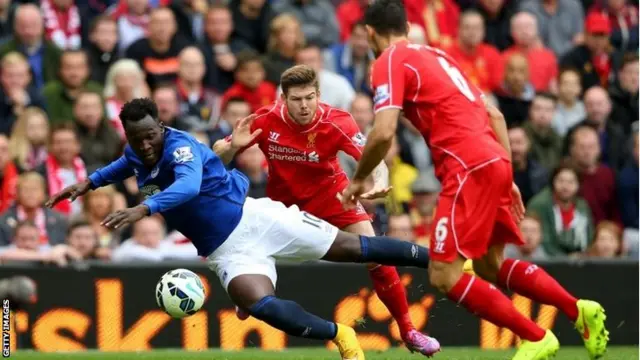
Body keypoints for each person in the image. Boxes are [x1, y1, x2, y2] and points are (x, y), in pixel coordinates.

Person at [46, 98, 440, 360]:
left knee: (355, 249)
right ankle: (342, 336)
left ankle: (440, 261)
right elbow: (126, 164)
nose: (145, 145)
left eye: (150, 136)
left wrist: (143, 208)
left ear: (161, 126)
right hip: (226, 251)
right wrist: (91, 182)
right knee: (258, 304)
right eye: (136, 139)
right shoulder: (136, 150)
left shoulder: (182, 147)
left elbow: (185, 187)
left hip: (256, 219)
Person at [340, 0, 609, 358]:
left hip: (465, 166)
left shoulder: (389, 60)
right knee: (488, 265)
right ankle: (579, 310)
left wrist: (358, 181)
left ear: (370, 32)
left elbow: (384, 131)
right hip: (491, 160)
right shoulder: (440, 57)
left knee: (443, 275)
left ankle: (535, 336)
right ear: (407, 28)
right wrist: (506, 174)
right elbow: (495, 114)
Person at [214, 64, 439, 356]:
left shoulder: (338, 122)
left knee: (377, 255)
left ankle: (408, 331)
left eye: (310, 97)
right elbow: (216, 155)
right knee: (255, 249)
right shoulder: (265, 120)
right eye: (297, 99)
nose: (305, 105)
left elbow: (374, 159)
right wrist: (232, 149)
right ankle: (247, 297)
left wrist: (380, 181)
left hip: (333, 198)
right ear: (284, 99)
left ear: (319, 94)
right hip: (284, 205)